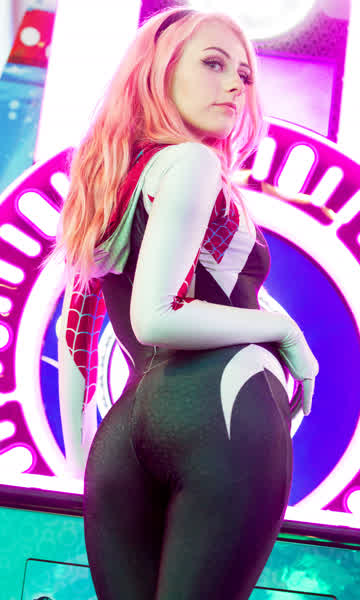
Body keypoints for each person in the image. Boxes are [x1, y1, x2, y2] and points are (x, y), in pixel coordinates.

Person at [54, 7, 319, 600]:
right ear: (159, 69)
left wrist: (77, 459)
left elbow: (77, 330)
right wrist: (284, 333)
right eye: (213, 63)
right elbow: (156, 317)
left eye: (244, 74)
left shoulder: (109, 181)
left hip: (123, 436)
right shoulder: (193, 162)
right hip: (220, 412)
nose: (235, 85)